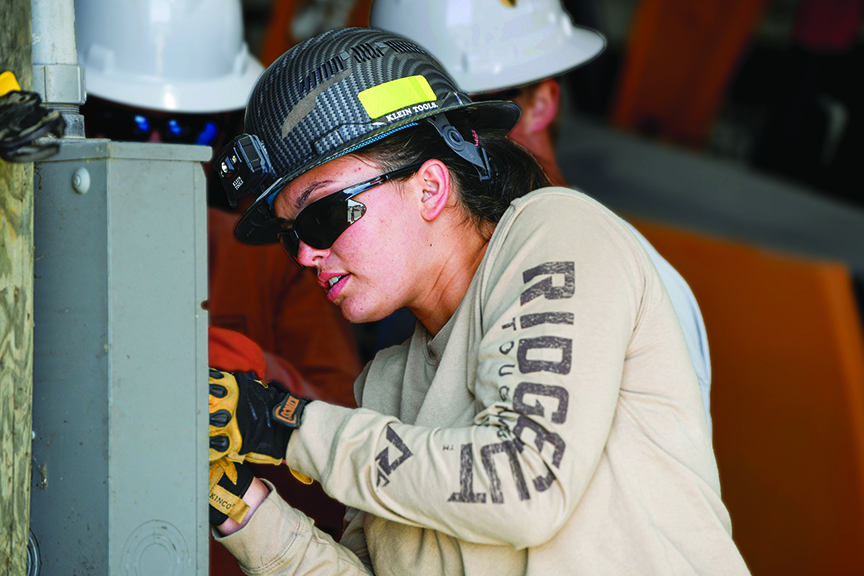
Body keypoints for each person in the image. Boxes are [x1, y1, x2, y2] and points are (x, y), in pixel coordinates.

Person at [206, 27, 749, 575]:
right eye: (289, 235)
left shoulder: (556, 232)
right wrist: (239, 507)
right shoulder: (385, 386)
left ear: (430, 187)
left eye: (321, 215)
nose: (304, 254)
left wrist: (283, 425)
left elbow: (524, 483)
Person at [74, 0, 362, 552]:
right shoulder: (26, 258)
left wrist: (248, 389)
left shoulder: (278, 258)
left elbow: (349, 463)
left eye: (186, 126)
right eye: (123, 122)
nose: (154, 148)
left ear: (228, 135)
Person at [369, 0, 714, 436]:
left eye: (466, 114)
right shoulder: (414, 270)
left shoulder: (623, 273)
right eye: (411, 129)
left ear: (542, 104)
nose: (438, 146)